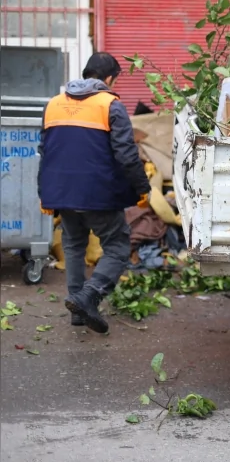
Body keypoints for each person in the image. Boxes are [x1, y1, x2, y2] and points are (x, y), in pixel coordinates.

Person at [38, 52, 151, 333]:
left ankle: (77, 311)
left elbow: (45, 152)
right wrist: (142, 188)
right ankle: (89, 297)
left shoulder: (53, 104)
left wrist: (46, 193)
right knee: (117, 246)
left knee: (74, 245)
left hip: (62, 192)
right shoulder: (110, 105)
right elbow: (126, 155)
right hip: (97, 194)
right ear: (109, 78)